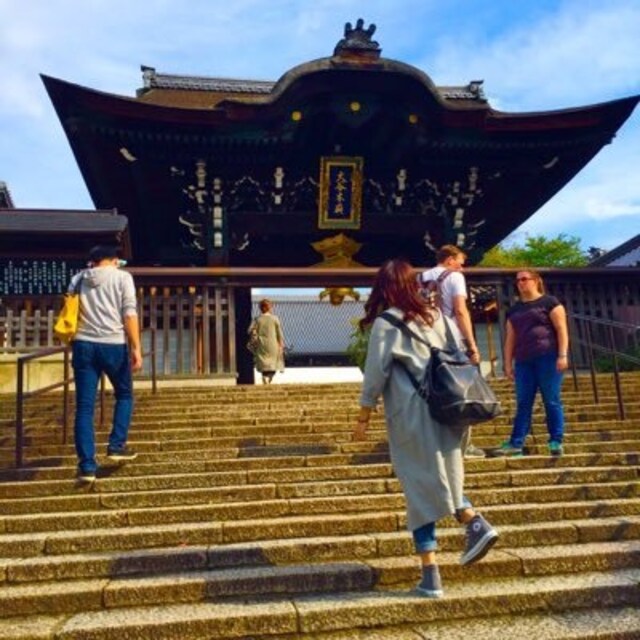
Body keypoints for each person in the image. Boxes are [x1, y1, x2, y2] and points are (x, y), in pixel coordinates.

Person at [353, 258, 498, 598]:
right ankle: (468, 527)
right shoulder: (439, 317)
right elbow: (457, 354)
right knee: (443, 475)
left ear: (384, 288)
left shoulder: (388, 322)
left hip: (413, 413)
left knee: (419, 484)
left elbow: (375, 372)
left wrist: (363, 416)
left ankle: (453, 546)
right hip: (451, 408)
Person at [69, 245, 142, 483]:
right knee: (124, 394)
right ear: (114, 259)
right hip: (113, 344)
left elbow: (69, 310)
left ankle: (87, 467)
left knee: (84, 407)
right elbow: (129, 313)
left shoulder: (78, 279)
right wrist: (136, 347)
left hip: (83, 343)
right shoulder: (123, 278)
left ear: (93, 261)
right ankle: (116, 445)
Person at [418, 244, 485, 459]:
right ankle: (463, 445)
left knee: (429, 389)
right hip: (451, 339)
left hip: (425, 339)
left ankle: (431, 443)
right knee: (460, 389)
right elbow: (460, 310)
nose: (462, 268)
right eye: (460, 263)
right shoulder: (454, 277)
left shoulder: (419, 278)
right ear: (449, 260)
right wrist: (472, 345)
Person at [494, 269, 569, 457]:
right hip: (523, 361)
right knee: (523, 402)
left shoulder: (550, 303)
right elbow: (510, 338)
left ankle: (555, 440)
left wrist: (562, 355)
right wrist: (508, 364)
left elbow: (561, 329)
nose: (520, 283)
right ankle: (516, 443)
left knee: (551, 399)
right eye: (518, 280)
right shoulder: (514, 310)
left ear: (536, 281)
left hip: (548, 356)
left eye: (524, 279)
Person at [249, 299, 285, 384]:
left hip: (261, 343)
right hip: (273, 343)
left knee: (263, 361)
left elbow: (250, 330)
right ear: (269, 308)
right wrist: (281, 343)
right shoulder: (275, 319)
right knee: (273, 361)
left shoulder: (257, 319)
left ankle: (264, 376)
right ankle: (269, 377)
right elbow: (279, 332)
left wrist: (255, 337)